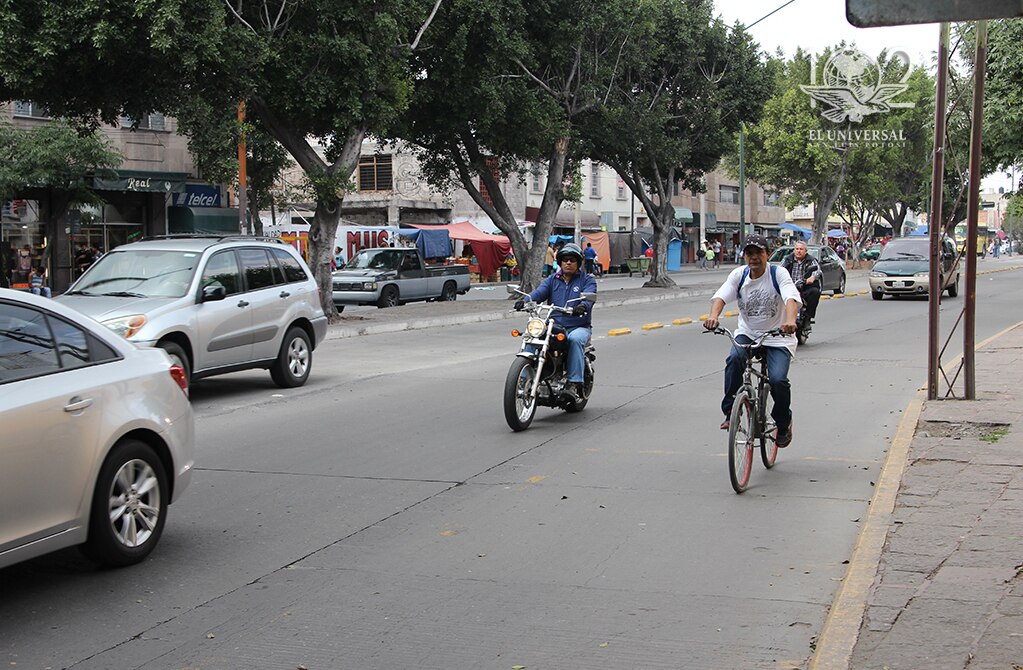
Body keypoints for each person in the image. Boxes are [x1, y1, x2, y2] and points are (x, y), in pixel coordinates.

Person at [703, 234, 800, 447]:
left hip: (778, 337)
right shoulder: (739, 275)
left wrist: (791, 320)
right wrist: (713, 316)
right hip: (748, 332)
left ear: (767, 254)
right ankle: (731, 412)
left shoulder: (778, 274)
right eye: (750, 253)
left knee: (777, 380)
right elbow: (721, 297)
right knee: (734, 359)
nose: (754, 258)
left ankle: (783, 422)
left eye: (759, 253)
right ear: (744, 255)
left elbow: (791, 298)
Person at [514, 243, 596, 403]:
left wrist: (582, 306)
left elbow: (589, 297)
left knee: (574, 340)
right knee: (532, 336)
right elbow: (538, 293)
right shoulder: (552, 279)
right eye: (565, 260)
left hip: (578, 326)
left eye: (572, 260)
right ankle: (523, 379)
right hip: (555, 325)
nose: (568, 263)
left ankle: (573, 383)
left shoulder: (587, 280)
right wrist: (525, 301)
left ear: (578, 262)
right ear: (560, 262)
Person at [780, 241, 823, 324]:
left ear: (805, 251)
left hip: (804, 287)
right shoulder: (788, 259)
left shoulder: (811, 260)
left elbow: (817, 270)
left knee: (815, 292)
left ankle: (807, 317)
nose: (798, 251)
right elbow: (780, 269)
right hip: (790, 287)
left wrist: (812, 277)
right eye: (797, 249)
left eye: (801, 249)